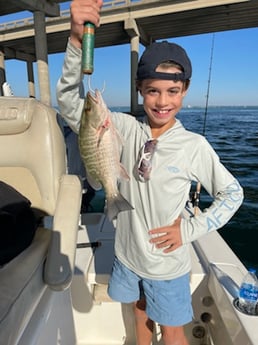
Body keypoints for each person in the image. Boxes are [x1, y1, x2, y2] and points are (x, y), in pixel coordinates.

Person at [56, 1, 244, 344]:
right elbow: (70, 103)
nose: (162, 101)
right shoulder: (124, 128)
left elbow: (233, 194)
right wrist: (74, 40)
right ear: (140, 90)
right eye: (153, 91)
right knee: (138, 309)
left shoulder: (194, 146)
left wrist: (189, 228)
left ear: (184, 90)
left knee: (172, 328)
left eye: (172, 91)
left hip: (166, 266)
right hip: (127, 255)